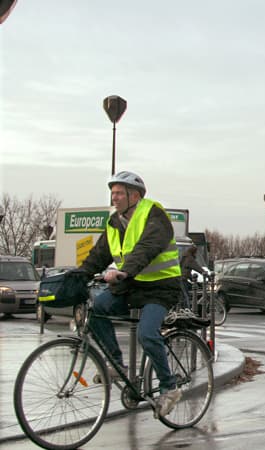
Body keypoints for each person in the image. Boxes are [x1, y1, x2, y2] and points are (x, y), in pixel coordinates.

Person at [77, 171, 182, 417]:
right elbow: (99, 254)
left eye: (119, 193)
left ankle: (170, 386)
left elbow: (148, 247)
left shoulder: (154, 214)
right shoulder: (114, 222)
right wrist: (79, 273)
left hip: (161, 287)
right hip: (133, 285)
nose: (114, 198)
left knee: (147, 334)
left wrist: (124, 271)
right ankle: (115, 364)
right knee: (98, 310)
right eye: (112, 193)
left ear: (134, 195)